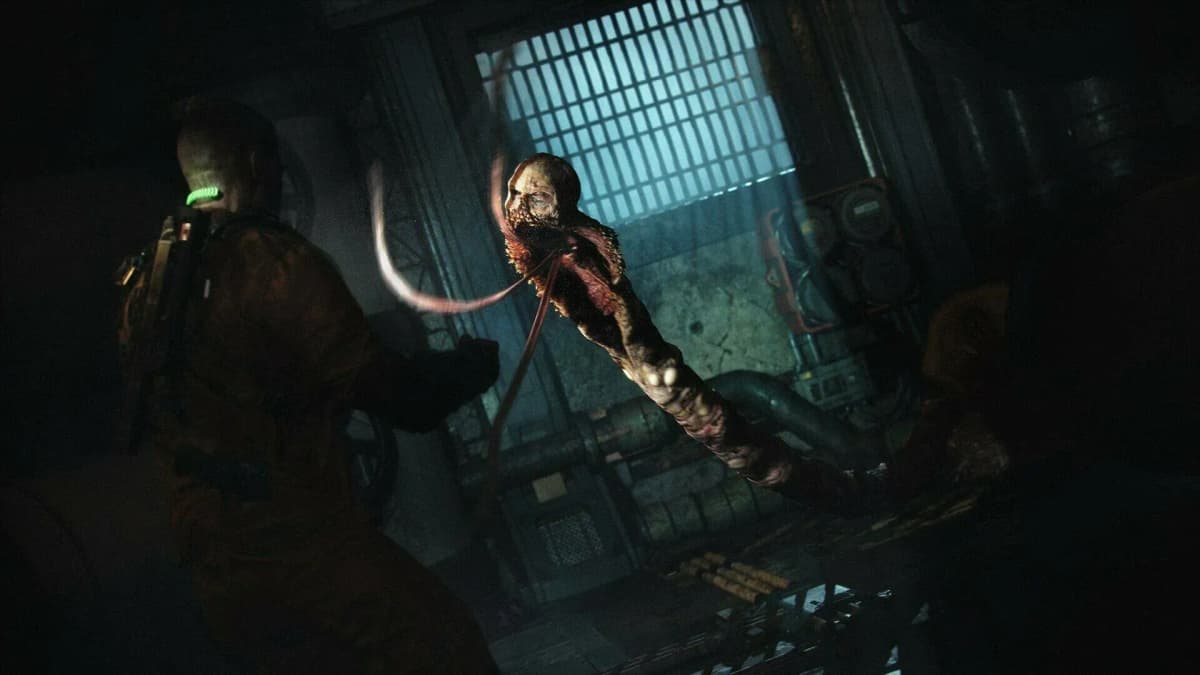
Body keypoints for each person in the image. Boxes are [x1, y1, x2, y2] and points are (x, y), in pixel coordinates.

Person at [117, 96, 501, 673]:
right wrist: (469, 368)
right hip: (303, 555)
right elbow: (405, 400)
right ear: (256, 163)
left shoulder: (145, 281)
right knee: (447, 650)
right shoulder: (272, 264)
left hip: (216, 575)